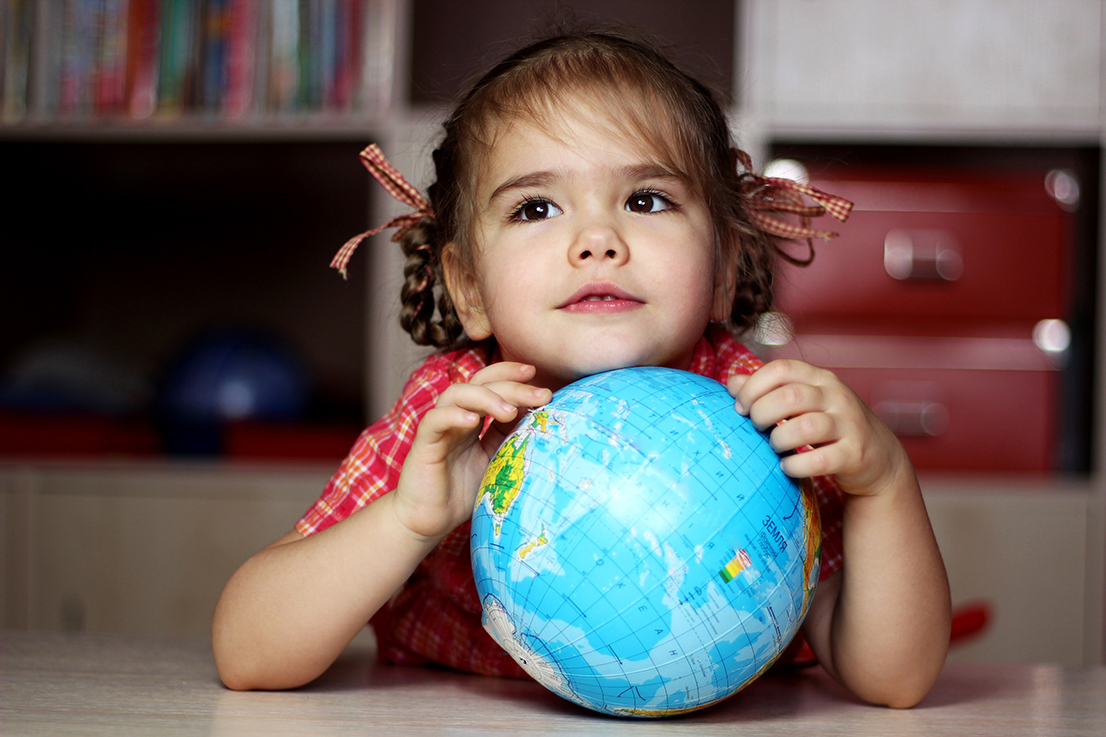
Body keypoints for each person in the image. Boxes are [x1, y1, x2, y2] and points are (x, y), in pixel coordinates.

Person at [212, 29, 951, 709]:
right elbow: (248, 652)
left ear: (726, 267)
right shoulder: (453, 414)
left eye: (646, 198)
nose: (598, 238)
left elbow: (894, 678)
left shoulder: (759, 412)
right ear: (468, 286)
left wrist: (884, 482)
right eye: (536, 209)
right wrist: (408, 520)